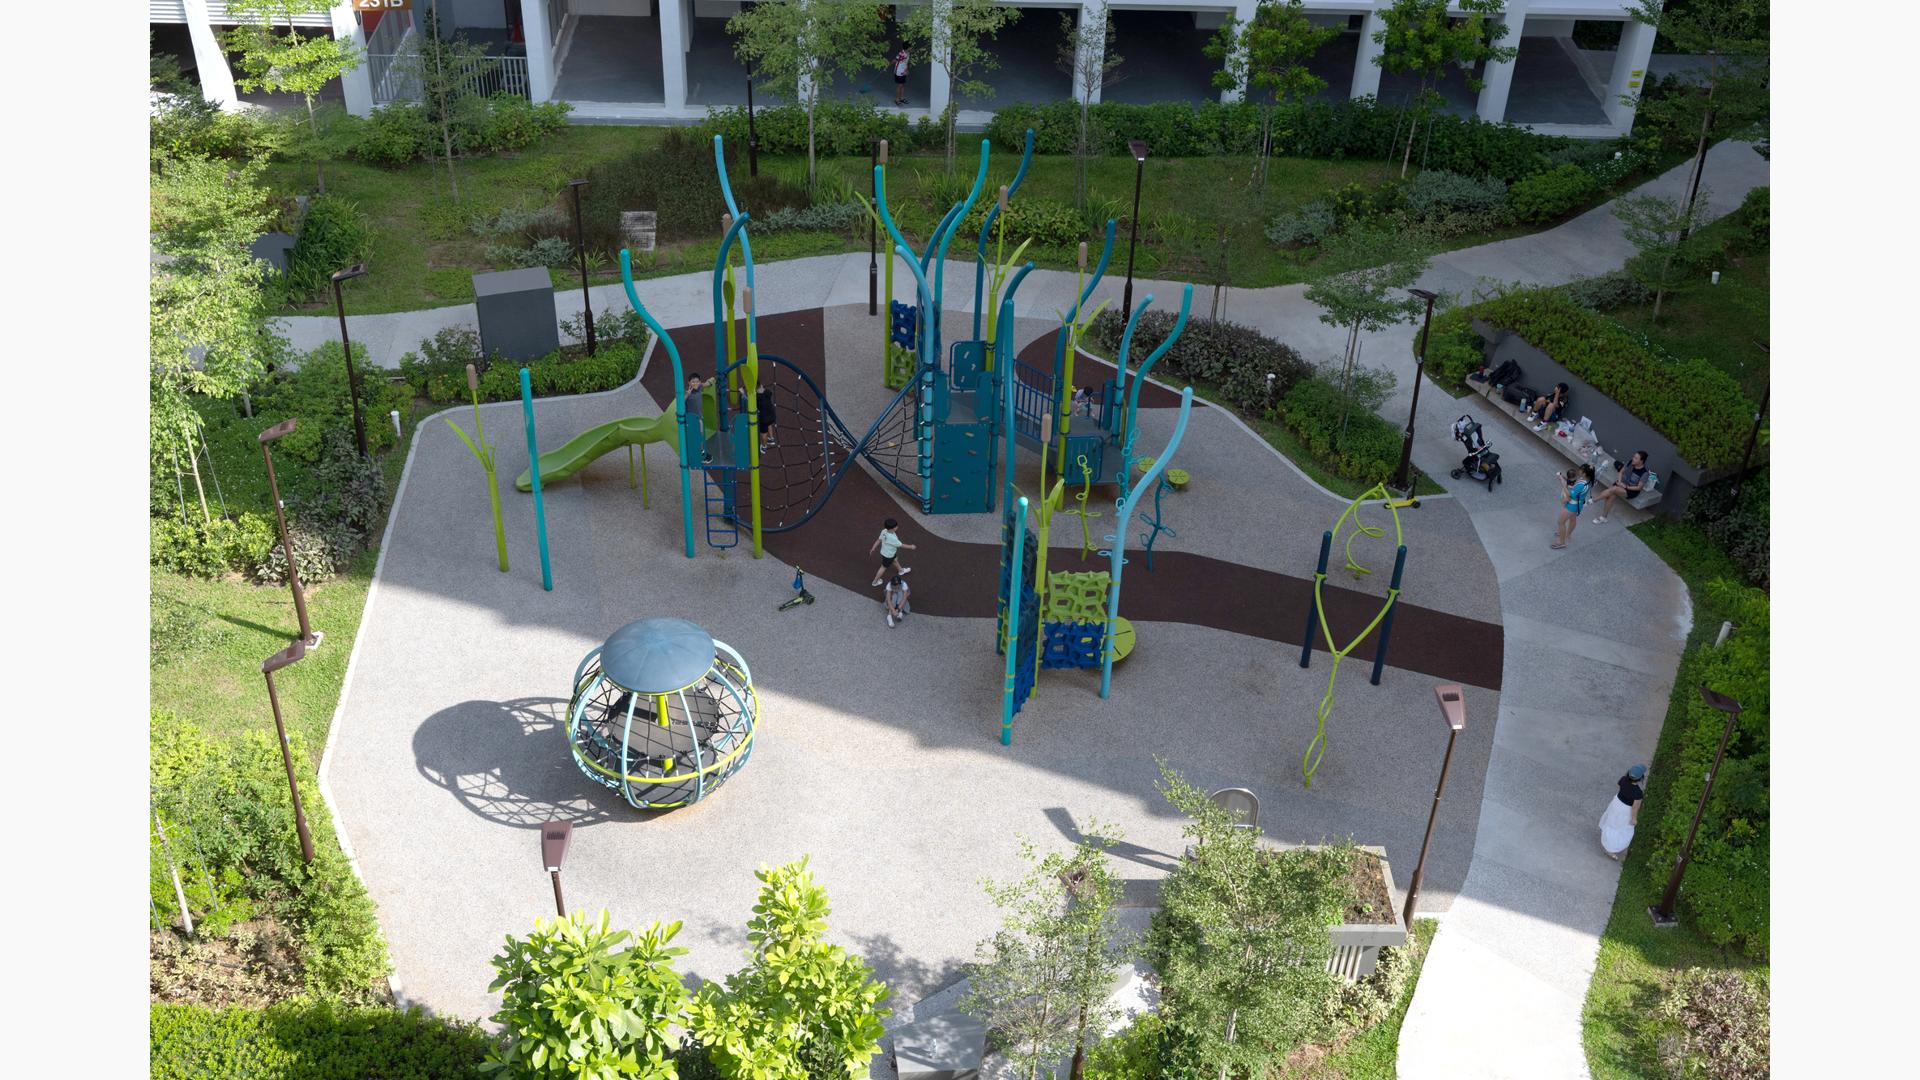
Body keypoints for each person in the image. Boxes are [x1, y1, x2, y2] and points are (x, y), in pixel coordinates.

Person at [1599, 764, 1647, 860]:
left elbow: (1621, 789)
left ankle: (1606, 836)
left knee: (1612, 822)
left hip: (1616, 803)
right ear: (1641, 778)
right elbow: (1634, 807)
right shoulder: (1638, 793)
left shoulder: (1623, 780)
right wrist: (1634, 819)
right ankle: (1610, 848)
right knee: (1621, 828)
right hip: (1625, 810)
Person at [1592, 451, 1650, 523]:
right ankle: (1603, 517)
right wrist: (1619, 482)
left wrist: (1626, 487)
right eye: (1633, 457)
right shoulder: (1630, 463)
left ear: (1641, 461)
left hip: (1631, 490)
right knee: (1611, 495)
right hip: (1621, 483)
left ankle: (1593, 500)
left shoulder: (1644, 473)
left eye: (1636, 458)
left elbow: (1639, 488)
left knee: (1614, 489)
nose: (1633, 459)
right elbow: (1621, 472)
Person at [1552, 464, 1593, 550]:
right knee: (1573, 519)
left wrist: (1562, 482)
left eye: (1581, 470)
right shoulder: (1588, 481)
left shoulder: (1581, 484)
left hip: (1572, 505)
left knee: (1561, 522)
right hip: (1578, 504)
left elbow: (1570, 495)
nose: (1579, 471)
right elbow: (1575, 488)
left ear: (1584, 474)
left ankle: (1561, 542)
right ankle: (1568, 535)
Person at [870, 517, 916, 587]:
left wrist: (873, 548)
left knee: (895, 559)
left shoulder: (884, 531)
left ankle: (901, 570)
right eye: (896, 526)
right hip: (888, 555)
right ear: (892, 528)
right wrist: (911, 547)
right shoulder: (893, 538)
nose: (897, 527)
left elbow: (879, 540)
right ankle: (875, 581)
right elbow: (901, 545)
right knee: (883, 567)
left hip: (886, 552)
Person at [755, 381, 778, 452]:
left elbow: (748, 401)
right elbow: (763, 390)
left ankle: (764, 447)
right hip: (772, 414)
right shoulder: (768, 392)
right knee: (769, 424)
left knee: (763, 434)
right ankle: (771, 438)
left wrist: (743, 393)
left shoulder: (757, 397)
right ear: (761, 385)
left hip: (764, 419)